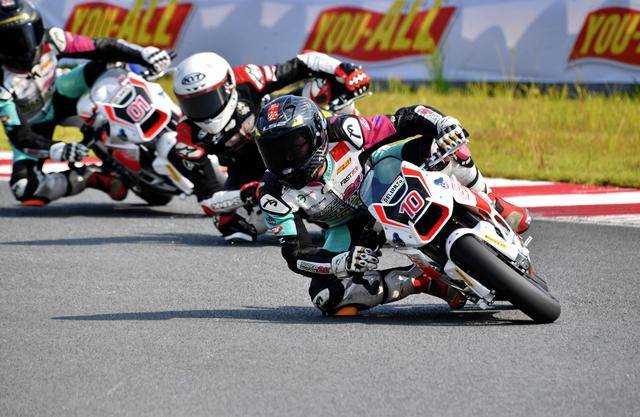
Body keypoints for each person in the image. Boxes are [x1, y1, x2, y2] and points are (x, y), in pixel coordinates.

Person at [255, 95, 531, 316]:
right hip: (349, 227)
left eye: (295, 145)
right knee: (327, 297)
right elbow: (296, 255)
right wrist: (340, 262)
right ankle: (419, 280)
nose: (286, 159)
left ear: (317, 134)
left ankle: (492, 200)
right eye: (273, 151)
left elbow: (405, 118)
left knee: (440, 147)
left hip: (383, 176)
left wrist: (443, 124)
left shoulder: (345, 130)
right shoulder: (272, 194)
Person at [170, 50, 371, 242]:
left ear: (229, 86)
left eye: (208, 100)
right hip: (248, 172)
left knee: (322, 87)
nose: (203, 112)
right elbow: (208, 201)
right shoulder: (186, 137)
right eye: (192, 104)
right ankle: (318, 219)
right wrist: (246, 194)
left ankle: (364, 145)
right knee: (237, 227)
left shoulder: (246, 78)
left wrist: (346, 70)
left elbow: (302, 63)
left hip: (286, 132)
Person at [0, 0, 172, 205]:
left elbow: (100, 46)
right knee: (24, 188)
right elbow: (21, 136)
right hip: (34, 125)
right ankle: (90, 176)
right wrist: (56, 148)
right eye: (10, 40)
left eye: (27, 33)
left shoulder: (52, 38)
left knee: (110, 64)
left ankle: (157, 110)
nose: (24, 45)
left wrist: (143, 54)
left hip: (60, 93)